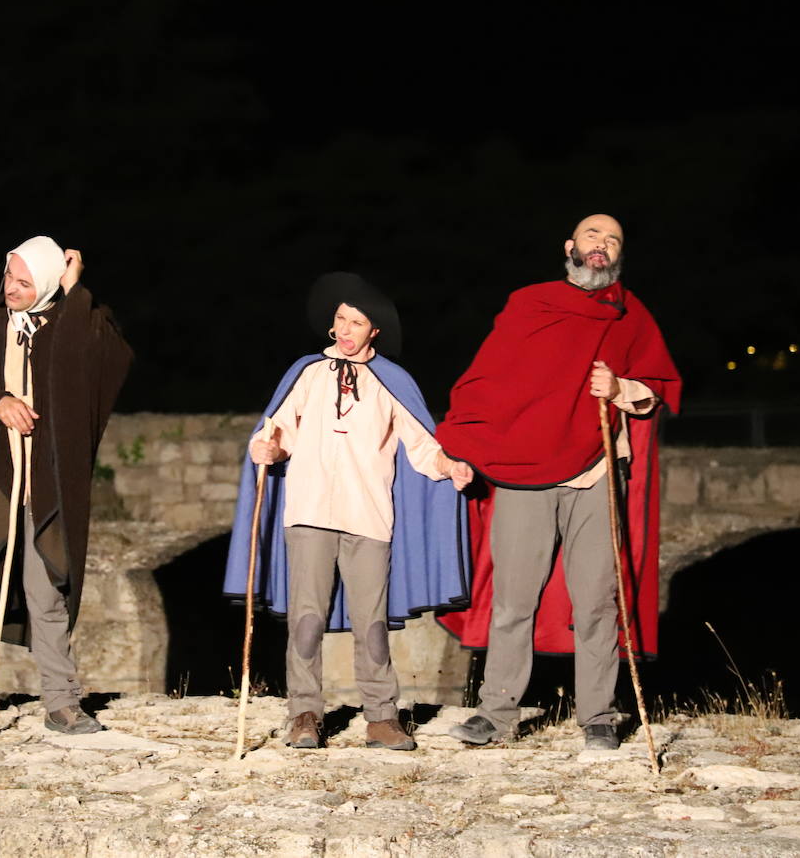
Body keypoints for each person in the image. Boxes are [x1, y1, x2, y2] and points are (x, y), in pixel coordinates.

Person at [436, 214, 681, 750]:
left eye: (613, 239)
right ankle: (497, 712)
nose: (603, 245)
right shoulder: (530, 304)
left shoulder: (630, 315)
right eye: (593, 236)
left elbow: (658, 385)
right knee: (514, 596)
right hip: (526, 473)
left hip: (595, 471)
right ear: (570, 246)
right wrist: (460, 444)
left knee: (594, 598)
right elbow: (488, 380)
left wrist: (620, 386)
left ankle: (596, 713)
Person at [224, 272, 473, 751]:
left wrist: (450, 466)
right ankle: (304, 714)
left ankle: (381, 717)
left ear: (373, 330)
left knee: (372, 624)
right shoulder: (307, 372)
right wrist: (266, 448)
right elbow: (280, 432)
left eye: (356, 321)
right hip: (309, 513)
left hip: (368, 517)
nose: (345, 328)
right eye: (340, 318)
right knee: (306, 620)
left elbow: (422, 446)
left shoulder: (391, 381)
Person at [0, 235, 131, 737]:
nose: (10, 287)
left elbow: (100, 362)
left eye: (25, 281)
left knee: (45, 589)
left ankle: (62, 703)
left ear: (51, 283)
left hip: (47, 483)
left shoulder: (73, 322)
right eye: (8, 276)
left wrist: (76, 294)